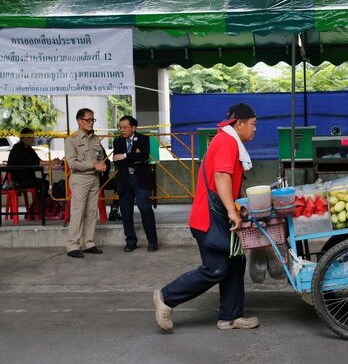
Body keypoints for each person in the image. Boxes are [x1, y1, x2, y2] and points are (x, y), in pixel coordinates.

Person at [153, 103, 259, 332]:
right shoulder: (226, 141)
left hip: (220, 216)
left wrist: (240, 206)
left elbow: (232, 182)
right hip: (209, 218)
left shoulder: (231, 142)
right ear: (238, 123)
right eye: (252, 124)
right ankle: (166, 297)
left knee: (235, 263)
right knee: (216, 268)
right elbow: (221, 176)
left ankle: (230, 317)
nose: (254, 129)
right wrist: (232, 211)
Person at [64, 108, 106, 258]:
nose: (91, 123)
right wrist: (93, 165)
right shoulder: (71, 139)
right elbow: (72, 164)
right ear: (79, 121)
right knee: (77, 212)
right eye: (88, 120)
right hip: (80, 179)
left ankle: (88, 243)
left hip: (94, 178)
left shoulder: (95, 139)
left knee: (91, 212)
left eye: (93, 120)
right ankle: (73, 245)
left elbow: (100, 156)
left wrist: (101, 164)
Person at [112, 115, 158, 252]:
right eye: (120, 127)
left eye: (125, 127)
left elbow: (143, 156)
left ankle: (152, 241)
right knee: (126, 212)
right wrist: (133, 157)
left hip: (140, 180)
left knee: (145, 209)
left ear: (133, 128)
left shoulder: (143, 139)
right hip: (124, 180)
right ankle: (131, 241)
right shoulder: (117, 142)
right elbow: (116, 160)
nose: (122, 130)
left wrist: (125, 156)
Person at [8, 127, 62, 201]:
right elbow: (35, 162)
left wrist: (51, 161)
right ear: (22, 139)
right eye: (29, 137)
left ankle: (38, 206)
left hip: (28, 178)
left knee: (47, 184)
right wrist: (52, 162)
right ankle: (40, 207)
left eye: (32, 137)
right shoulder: (17, 148)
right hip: (18, 180)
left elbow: (39, 161)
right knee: (44, 184)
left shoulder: (30, 150)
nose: (31, 139)